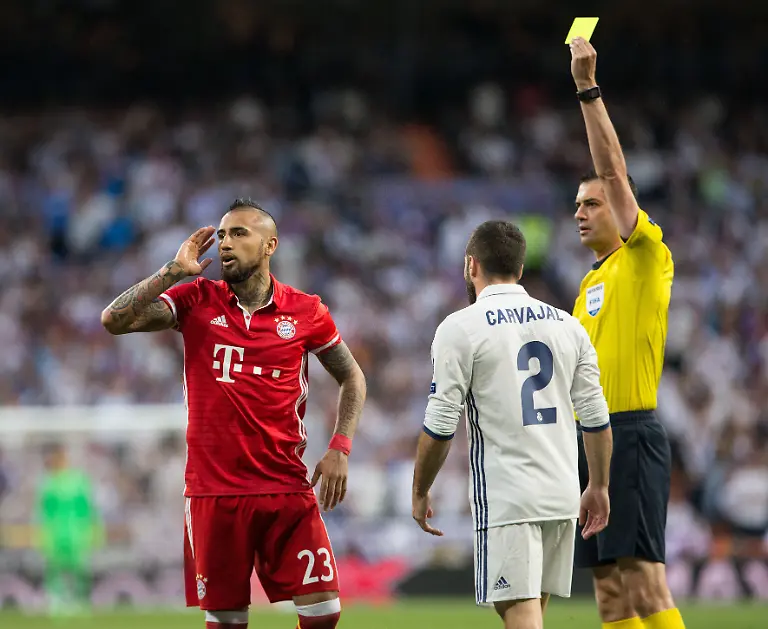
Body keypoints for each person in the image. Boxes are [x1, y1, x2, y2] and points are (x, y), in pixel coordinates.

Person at [101, 199, 367, 629]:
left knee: (324, 613)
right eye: (222, 235)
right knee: (226, 623)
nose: (226, 243)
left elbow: (352, 378)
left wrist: (340, 446)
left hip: (285, 485)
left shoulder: (306, 311)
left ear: (269, 245)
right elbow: (114, 320)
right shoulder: (196, 299)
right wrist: (173, 271)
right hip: (214, 492)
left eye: (239, 233)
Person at [411, 220, 614, 629]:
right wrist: (598, 485)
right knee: (532, 612)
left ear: (471, 265)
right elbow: (595, 416)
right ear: (520, 270)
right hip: (561, 496)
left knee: (520, 616)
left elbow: (440, 424)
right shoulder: (567, 324)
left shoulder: (459, 328)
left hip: (509, 497)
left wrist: (419, 489)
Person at [568, 38, 684, 629]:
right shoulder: (585, 289)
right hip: (592, 444)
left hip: (633, 432)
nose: (582, 211)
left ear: (619, 207)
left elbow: (613, 168)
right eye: (577, 205)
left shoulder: (645, 256)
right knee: (610, 595)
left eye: (592, 202)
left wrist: (587, 89)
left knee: (644, 584)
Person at [35, 442, 102, 615]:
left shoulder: (78, 480)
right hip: (57, 532)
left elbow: (87, 509)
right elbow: (44, 512)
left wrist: (92, 531)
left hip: (76, 532)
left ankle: (81, 600)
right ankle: (56, 601)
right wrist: (43, 534)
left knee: (79, 568)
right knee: (55, 569)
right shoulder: (49, 482)